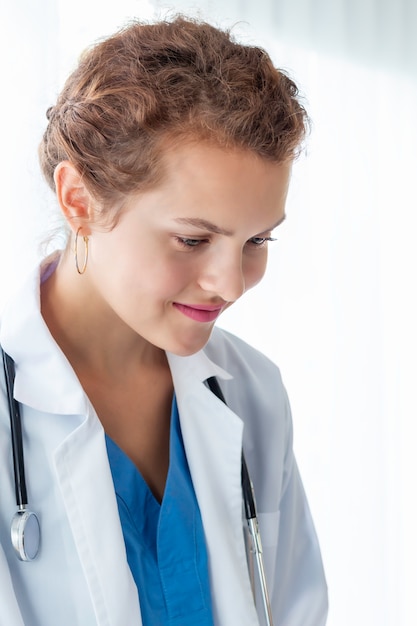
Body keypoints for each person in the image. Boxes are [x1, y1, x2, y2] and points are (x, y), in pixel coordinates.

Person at [0, 15, 328, 626]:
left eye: (257, 240)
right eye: (192, 239)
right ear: (80, 202)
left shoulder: (250, 392)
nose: (230, 284)